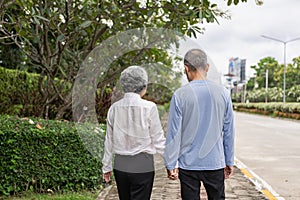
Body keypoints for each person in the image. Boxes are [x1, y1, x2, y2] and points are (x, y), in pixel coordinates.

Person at [164, 49, 235, 200]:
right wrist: (229, 160)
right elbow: (228, 131)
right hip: (215, 163)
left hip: (188, 165)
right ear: (207, 67)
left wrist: (171, 163)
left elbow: (173, 133)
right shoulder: (223, 93)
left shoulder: (179, 95)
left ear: (186, 68)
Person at [102, 65, 165, 200]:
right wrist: (171, 163)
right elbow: (158, 139)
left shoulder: (114, 108)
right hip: (143, 164)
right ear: (143, 85)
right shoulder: (149, 107)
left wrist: (106, 166)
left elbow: (109, 140)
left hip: (120, 163)